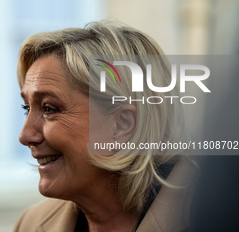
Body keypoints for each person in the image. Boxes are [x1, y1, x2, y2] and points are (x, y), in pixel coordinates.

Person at [14, 21, 195, 232]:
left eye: (49, 108)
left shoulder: (218, 215)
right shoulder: (31, 223)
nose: (25, 135)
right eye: (26, 108)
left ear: (122, 125)